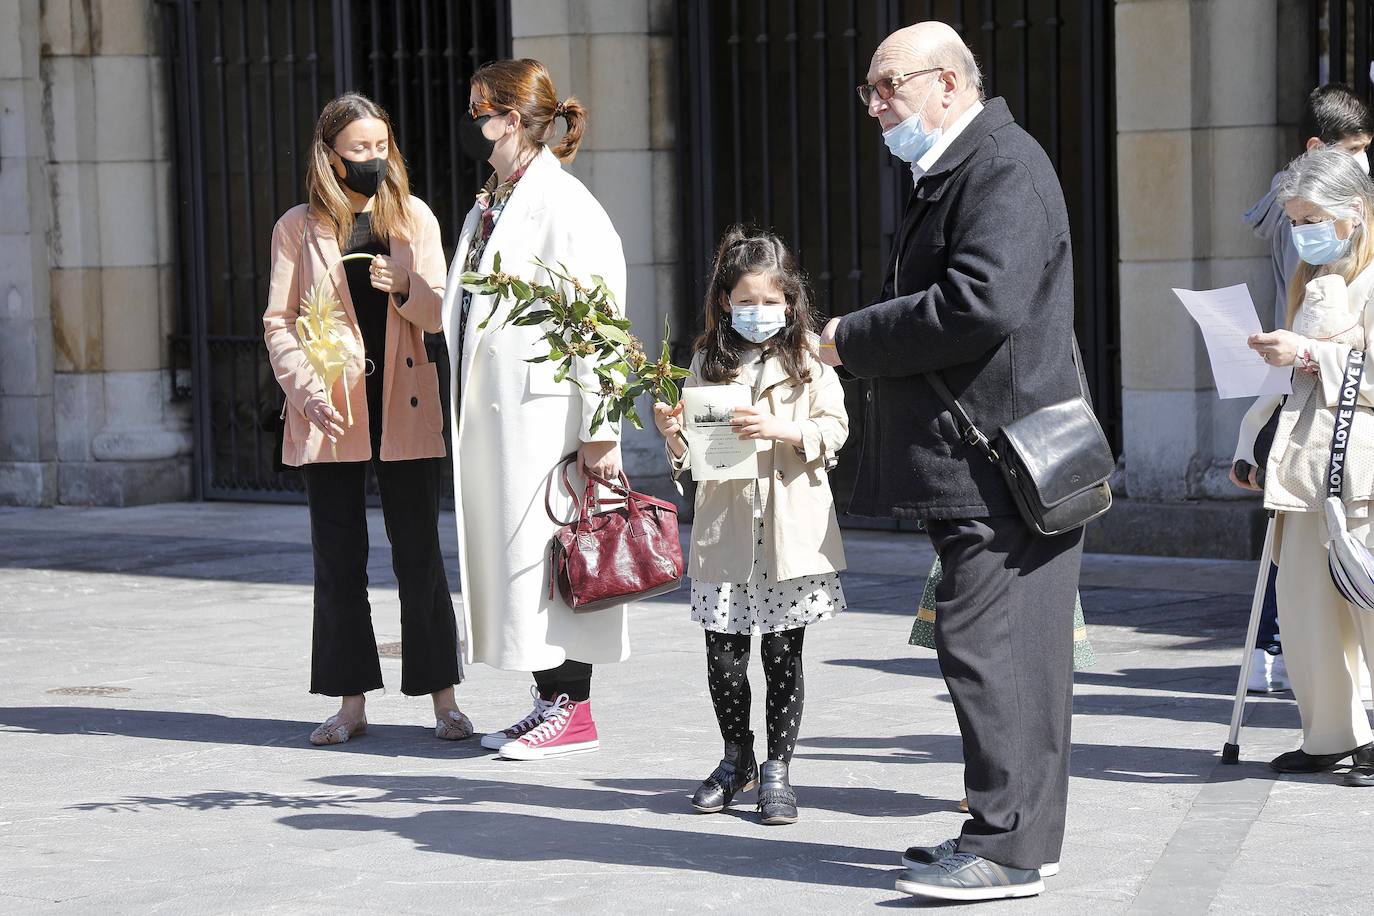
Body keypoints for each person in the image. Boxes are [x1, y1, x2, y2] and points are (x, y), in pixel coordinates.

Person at [817, 21, 1083, 901]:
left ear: (950, 82)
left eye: (889, 85)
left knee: (993, 648)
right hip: (983, 459)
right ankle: (1002, 830)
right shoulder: (958, 168)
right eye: (870, 90)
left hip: (1003, 462)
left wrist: (853, 338)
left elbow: (981, 302)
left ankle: (1011, 849)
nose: (877, 105)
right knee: (997, 649)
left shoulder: (1002, 166)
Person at [263, 93, 469, 746]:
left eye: (382, 147)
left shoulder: (413, 221)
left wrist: (405, 286)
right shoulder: (299, 228)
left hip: (405, 408)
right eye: (360, 150)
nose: (374, 159)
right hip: (331, 413)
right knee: (339, 561)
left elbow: (442, 313)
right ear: (331, 156)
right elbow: (279, 321)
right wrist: (304, 391)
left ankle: (445, 703)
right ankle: (351, 706)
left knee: (420, 560)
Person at [442, 59, 628, 761]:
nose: (471, 124)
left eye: (476, 110)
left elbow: (600, 323)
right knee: (521, 564)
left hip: (546, 422)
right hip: (502, 418)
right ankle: (548, 699)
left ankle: (574, 710)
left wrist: (601, 431)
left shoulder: (564, 205)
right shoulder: (494, 200)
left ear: (509, 119)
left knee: (553, 564)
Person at [652, 227, 849, 826]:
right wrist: (672, 434)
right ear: (724, 301)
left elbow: (834, 430)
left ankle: (779, 770)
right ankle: (736, 760)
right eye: (745, 300)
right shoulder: (708, 360)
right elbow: (695, 460)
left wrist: (783, 429)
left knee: (783, 658)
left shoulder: (809, 358)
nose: (758, 312)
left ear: (790, 302)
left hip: (790, 533)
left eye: (770, 301)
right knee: (724, 658)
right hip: (728, 531)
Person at [1235, 147, 1374, 789]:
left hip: (1363, 468)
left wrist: (1310, 350)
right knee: (1303, 610)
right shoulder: (1309, 273)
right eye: (1293, 219)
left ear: (1353, 214)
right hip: (1304, 463)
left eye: (1310, 217)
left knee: (1369, 606)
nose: (1300, 231)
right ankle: (1330, 737)